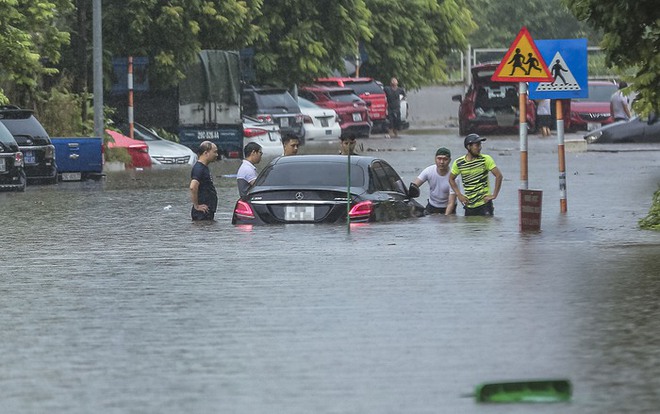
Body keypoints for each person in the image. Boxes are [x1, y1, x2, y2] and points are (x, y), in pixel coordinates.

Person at [449, 134, 503, 216]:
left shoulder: (485, 159)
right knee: (470, 227)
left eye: (480, 145)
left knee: (487, 227)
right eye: (477, 145)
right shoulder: (459, 163)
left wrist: (494, 195)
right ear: (468, 147)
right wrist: (459, 195)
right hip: (469, 205)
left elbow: (499, 176)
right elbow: (451, 179)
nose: (480, 147)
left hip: (485, 204)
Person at [410, 147, 456, 215]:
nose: (442, 162)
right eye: (439, 159)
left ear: (449, 160)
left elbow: (451, 203)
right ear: (435, 159)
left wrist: (446, 219)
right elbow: (414, 185)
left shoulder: (453, 176)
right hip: (432, 206)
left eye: (445, 159)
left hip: (448, 208)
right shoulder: (429, 171)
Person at [189, 141, 219, 221]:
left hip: (207, 211)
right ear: (206, 153)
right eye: (215, 152)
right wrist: (196, 206)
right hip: (201, 213)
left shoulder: (204, 167)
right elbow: (192, 187)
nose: (217, 155)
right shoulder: (199, 169)